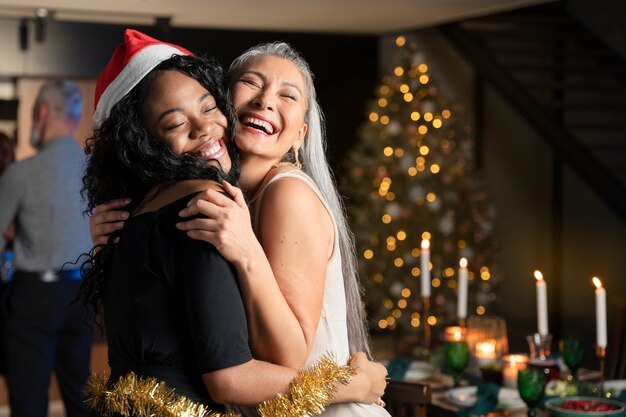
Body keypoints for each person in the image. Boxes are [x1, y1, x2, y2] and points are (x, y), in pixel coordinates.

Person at [81, 29, 386, 416]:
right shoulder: (205, 204)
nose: (265, 101)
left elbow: (289, 356)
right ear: (226, 101)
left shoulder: (285, 194)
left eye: (287, 95)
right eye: (251, 84)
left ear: (300, 136)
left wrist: (248, 253)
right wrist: (115, 247)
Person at [0, 81, 93, 417]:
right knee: (82, 396)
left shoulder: (20, 174)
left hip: (34, 296)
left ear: (40, 112)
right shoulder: (95, 171)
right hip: (82, 294)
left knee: (28, 402)